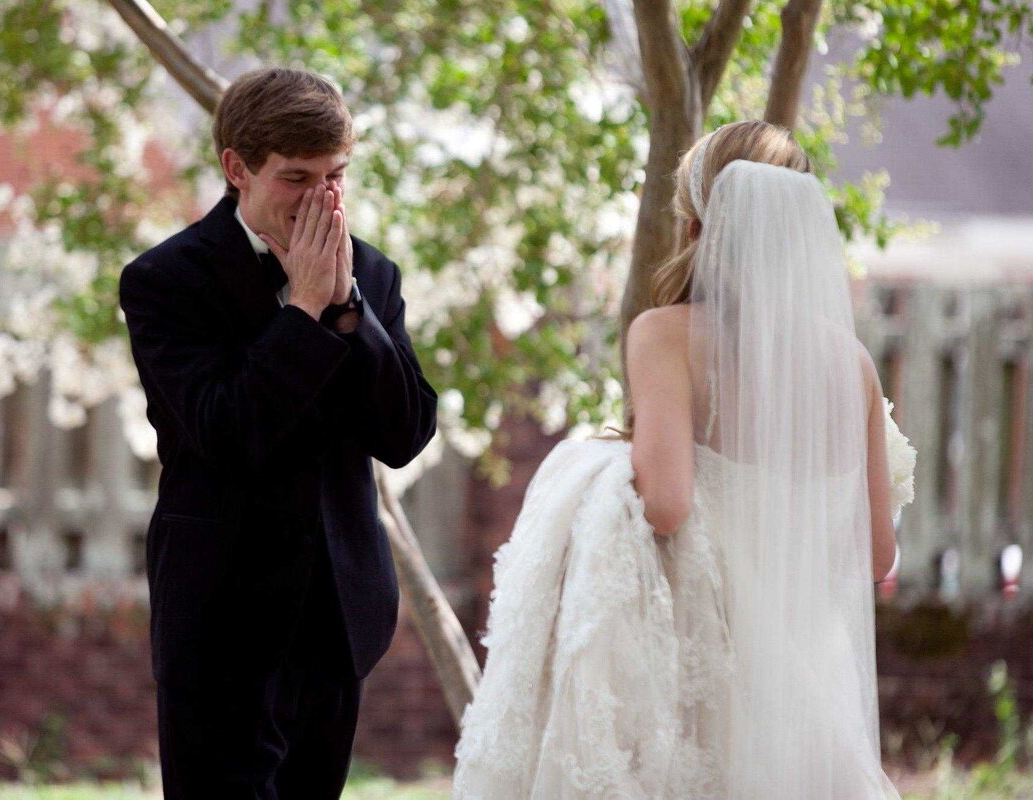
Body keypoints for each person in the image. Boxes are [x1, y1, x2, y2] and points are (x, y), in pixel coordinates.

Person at [452, 120, 901, 798]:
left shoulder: (666, 336)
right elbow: (875, 556)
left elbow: (665, 504)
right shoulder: (854, 365)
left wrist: (604, 465)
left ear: (694, 227)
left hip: (709, 670)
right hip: (805, 684)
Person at [118, 66, 438, 799]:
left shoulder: (374, 276)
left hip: (338, 614)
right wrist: (301, 313)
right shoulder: (166, 281)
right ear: (237, 169)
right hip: (220, 615)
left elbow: (405, 433)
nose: (323, 200)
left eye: (337, 176)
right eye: (298, 178)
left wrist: (349, 309)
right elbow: (226, 432)